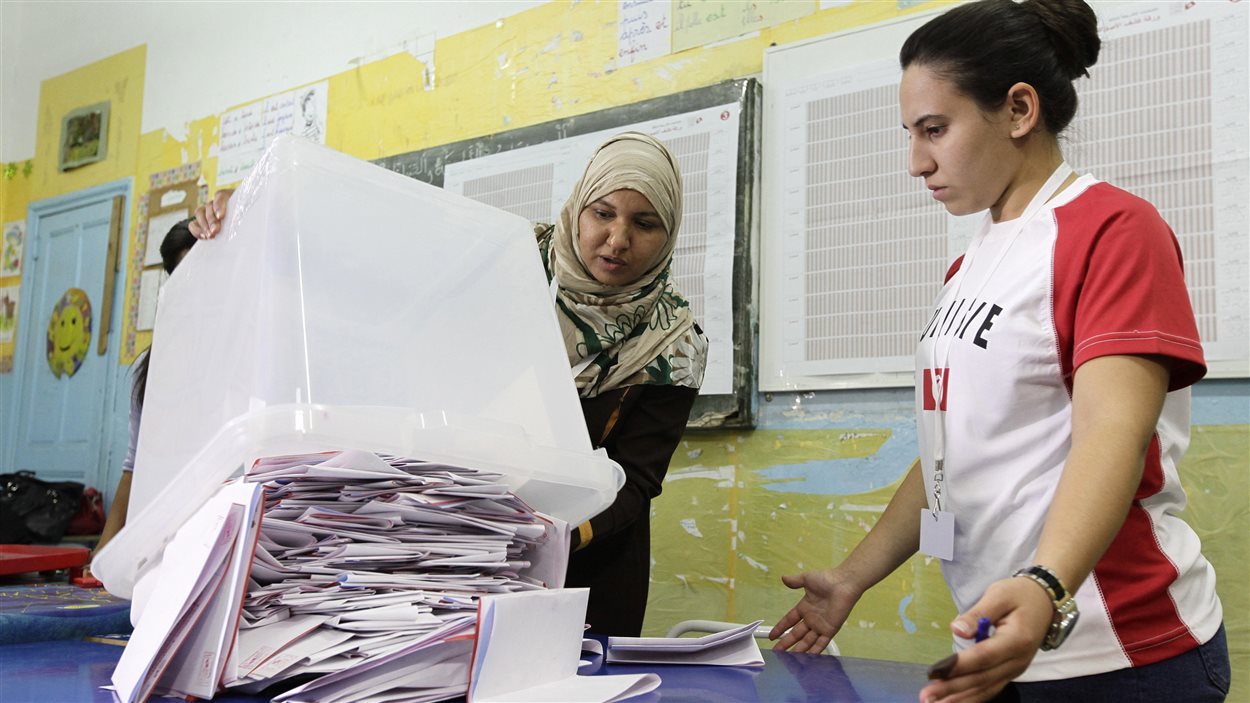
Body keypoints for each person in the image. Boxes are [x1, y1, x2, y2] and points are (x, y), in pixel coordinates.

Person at [769, 1, 1228, 701]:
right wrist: (852, 577)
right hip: (1003, 640)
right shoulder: (970, 266)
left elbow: (1114, 431)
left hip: (1121, 649)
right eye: (911, 133)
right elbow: (954, 450)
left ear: (1018, 109)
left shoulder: (1111, 229)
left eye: (935, 130)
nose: (916, 161)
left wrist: (1046, 586)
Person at [190, 132, 708, 637]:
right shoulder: (510, 259)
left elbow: (636, 481)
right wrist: (258, 205)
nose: (618, 240)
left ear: (670, 233)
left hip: (587, 561)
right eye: (603, 213)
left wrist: (545, 537)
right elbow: (370, 250)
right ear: (579, 206)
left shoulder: (676, 345)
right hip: (453, 533)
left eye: (645, 224)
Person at [94, 219, 198, 554]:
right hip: (165, 531)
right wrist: (105, 547)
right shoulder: (150, 366)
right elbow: (133, 465)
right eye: (187, 276)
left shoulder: (245, 347)